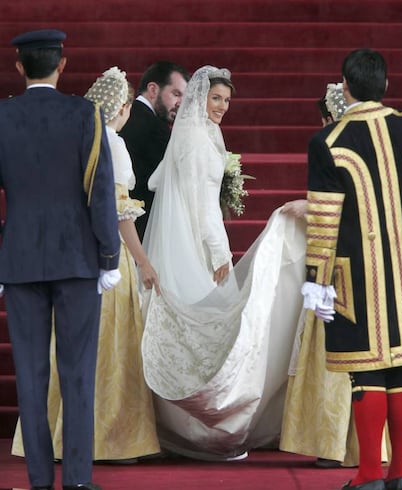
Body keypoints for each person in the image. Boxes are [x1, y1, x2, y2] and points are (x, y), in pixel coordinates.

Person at [140, 65, 306, 461]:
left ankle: (184, 423)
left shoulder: (198, 132)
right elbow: (198, 203)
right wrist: (217, 253)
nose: (222, 107)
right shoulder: (198, 137)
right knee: (209, 331)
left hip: (191, 235)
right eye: (216, 99)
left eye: (227, 101)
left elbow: (155, 181)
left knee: (200, 330)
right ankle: (204, 426)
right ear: (201, 98)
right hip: (195, 243)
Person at [12, 67, 162, 463]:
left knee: (68, 348)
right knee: (107, 350)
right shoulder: (111, 142)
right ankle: (110, 440)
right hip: (106, 257)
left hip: (70, 252)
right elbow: (118, 212)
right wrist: (143, 260)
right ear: (124, 107)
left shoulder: (74, 136)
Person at [1, 29, 121, 490]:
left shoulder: (2, 117)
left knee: (30, 378)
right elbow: (101, 191)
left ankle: (38, 481)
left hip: (20, 260)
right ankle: (76, 480)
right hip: (76, 259)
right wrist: (109, 256)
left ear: (19, 67)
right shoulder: (84, 113)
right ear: (62, 65)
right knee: (77, 376)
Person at [302, 48, 402, 490]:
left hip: (355, 276)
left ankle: (368, 475)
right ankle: (399, 476)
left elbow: (324, 221)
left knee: (366, 371)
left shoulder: (327, 141)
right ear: (385, 86)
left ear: (344, 87)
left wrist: (316, 280)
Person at [279, 83, 364, 469]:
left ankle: (332, 442)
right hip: (369, 263)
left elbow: (341, 209)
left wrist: (309, 205)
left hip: (336, 261)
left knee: (336, 350)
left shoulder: (329, 145)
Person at [119, 60, 190, 240]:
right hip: (144, 230)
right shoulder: (155, 127)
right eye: (176, 94)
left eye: (184, 97)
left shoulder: (130, 114)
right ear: (153, 90)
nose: (180, 103)